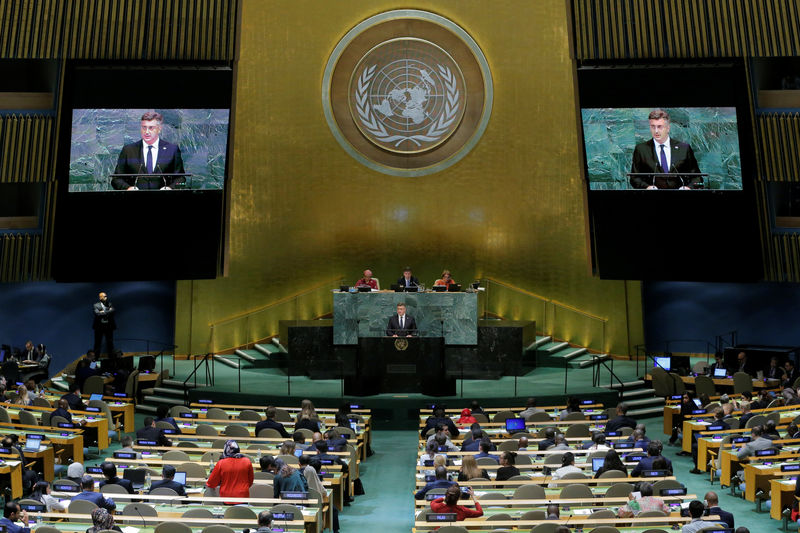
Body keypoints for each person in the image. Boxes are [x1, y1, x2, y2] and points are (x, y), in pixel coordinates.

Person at [629, 108, 702, 190]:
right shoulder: (641, 149)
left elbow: (698, 179)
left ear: (668, 128)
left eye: (660, 127)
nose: (656, 131)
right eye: (653, 127)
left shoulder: (684, 148)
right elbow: (634, 178)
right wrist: (647, 187)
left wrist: (688, 187)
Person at [112, 111, 185, 190]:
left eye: (151, 128)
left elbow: (181, 179)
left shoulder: (172, 150)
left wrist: (170, 188)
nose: (147, 132)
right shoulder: (128, 150)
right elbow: (116, 179)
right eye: (144, 127)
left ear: (159, 129)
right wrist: (128, 188)